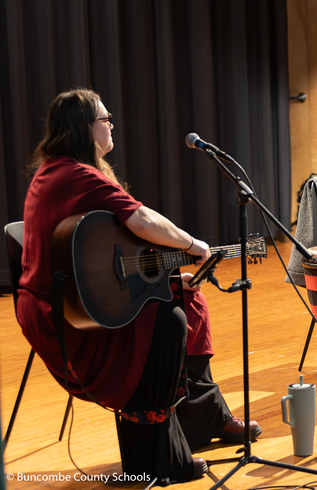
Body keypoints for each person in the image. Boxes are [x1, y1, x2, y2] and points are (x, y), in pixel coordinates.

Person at [16, 88, 261, 484]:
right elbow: (142, 221)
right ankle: (155, 459)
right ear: (84, 128)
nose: (111, 125)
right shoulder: (73, 174)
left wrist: (164, 276)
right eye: (105, 120)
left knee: (188, 299)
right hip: (65, 314)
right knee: (167, 321)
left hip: (77, 295)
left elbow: (104, 250)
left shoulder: (63, 170)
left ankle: (201, 419)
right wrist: (193, 244)